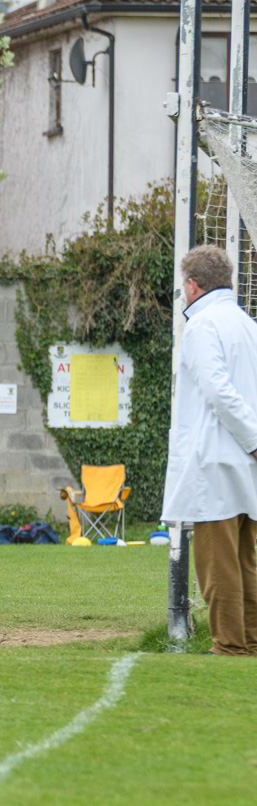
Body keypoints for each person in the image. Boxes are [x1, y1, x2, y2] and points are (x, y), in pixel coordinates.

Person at [162, 244, 257, 656]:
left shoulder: (201, 326)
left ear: (193, 285)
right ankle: (250, 643)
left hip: (216, 460)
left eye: (184, 285)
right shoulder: (248, 324)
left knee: (217, 566)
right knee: (245, 563)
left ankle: (230, 647)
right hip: (244, 464)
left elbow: (217, 391)